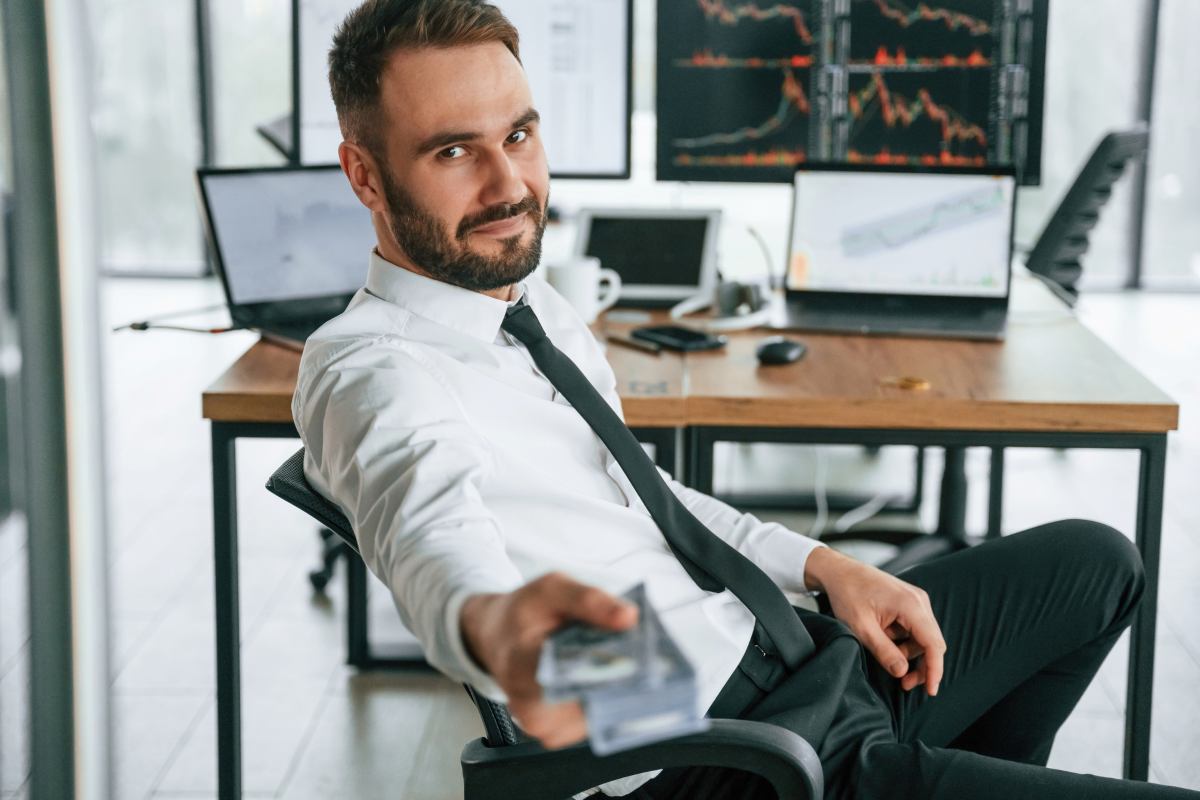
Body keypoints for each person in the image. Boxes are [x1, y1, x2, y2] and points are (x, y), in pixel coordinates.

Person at [293, 1, 1195, 797]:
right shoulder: (373, 372)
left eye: (519, 136)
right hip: (721, 752)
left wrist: (822, 565)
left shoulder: (533, 309)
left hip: (795, 662)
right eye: (454, 151)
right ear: (365, 175)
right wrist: (498, 627)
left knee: (1098, 560)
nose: (508, 186)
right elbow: (433, 543)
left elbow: (648, 498)